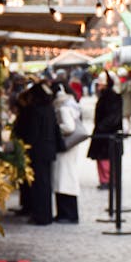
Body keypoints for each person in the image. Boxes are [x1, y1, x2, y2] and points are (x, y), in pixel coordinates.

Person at [13, 81, 62, 225]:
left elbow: (32, 133)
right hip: (48, 150)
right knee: (45, 184)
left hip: (38, 152)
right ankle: (45, 214)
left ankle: (40, 216)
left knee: (39, 185)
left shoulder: (35, 110)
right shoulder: (49, 108)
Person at [87, 70, 123, 190]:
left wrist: (102, 127)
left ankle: (108, 180)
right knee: (102, 159)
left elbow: (113, 118)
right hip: (103, 133)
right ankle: (105, 180)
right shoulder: (106, 97)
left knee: (106, 159)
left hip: (107, 134)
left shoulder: (112, 97)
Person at [52, 86, 83, 223]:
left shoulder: (63, 109)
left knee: (63, 180)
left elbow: (69, 127)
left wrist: (56, 128)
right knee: (66, 179)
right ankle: (66, 213)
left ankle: (67, 214)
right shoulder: (72, 106)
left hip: (65, 148)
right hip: (69, 149)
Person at [117, 67, 131, 133]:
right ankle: (127, 130)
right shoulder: (129, 83)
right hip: (128, 102)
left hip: (123, 102)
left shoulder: (119, 83)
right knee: (127, 117)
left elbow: (119, 91)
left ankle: (126, 131)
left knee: (125, 117)